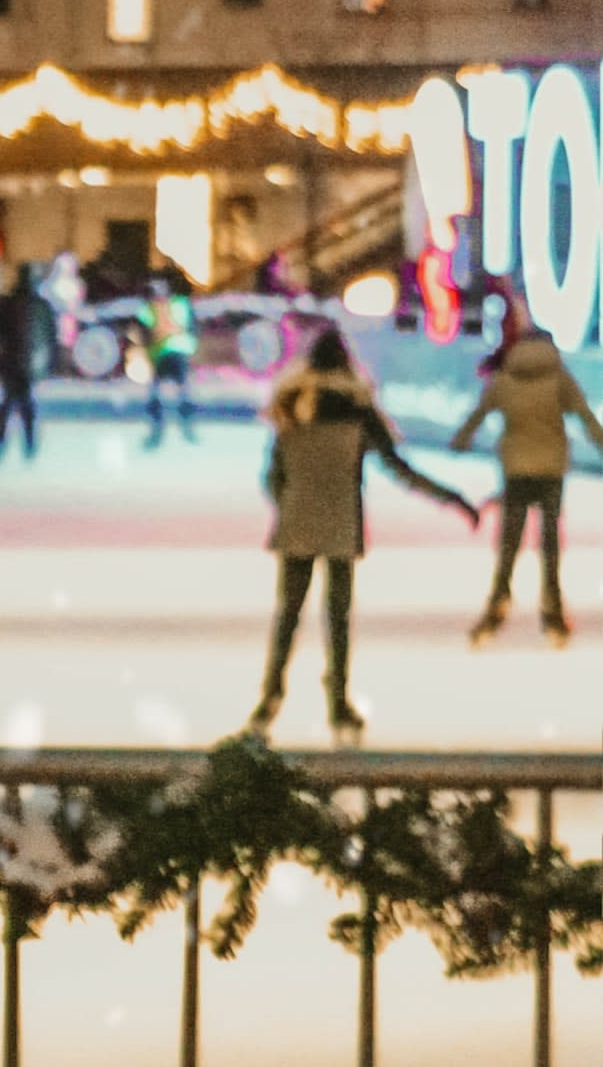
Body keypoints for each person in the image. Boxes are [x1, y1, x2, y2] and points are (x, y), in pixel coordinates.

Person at [251, 324, 478, 737]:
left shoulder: (289, 405)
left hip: (297, 525)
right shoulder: (358, 408)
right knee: (338, 618)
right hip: (341, 523)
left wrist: (288, 505)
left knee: (288, 614)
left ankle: (270, 697)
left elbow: (272, 476)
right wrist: (453, 498)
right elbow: (400, 469)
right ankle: (338, 702)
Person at [451, 297, 603, 646]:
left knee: (510, 542)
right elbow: (586, 418)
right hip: (550, 469)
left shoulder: (506, 378)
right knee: (550, 543)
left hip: (516, 468)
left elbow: (478, 413)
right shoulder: (559, 378)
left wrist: (461, 440)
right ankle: (553, 611)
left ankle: (498, 600)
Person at [0, 265, 42, 462]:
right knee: (18, 405)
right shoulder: (27, 304)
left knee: (14, 404)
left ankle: (16, 445)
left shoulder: (16, 303)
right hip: (17, 363)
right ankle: (22, 445)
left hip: (15, 363)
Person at [144, 269, 198, 448]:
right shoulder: (150, 308)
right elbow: (148, 332)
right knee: (158, 393)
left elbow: (186, 327)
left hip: (177, 352)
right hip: (162, 354)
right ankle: (158, 429)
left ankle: (186, 425)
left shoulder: (180, 304)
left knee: (183, 390)